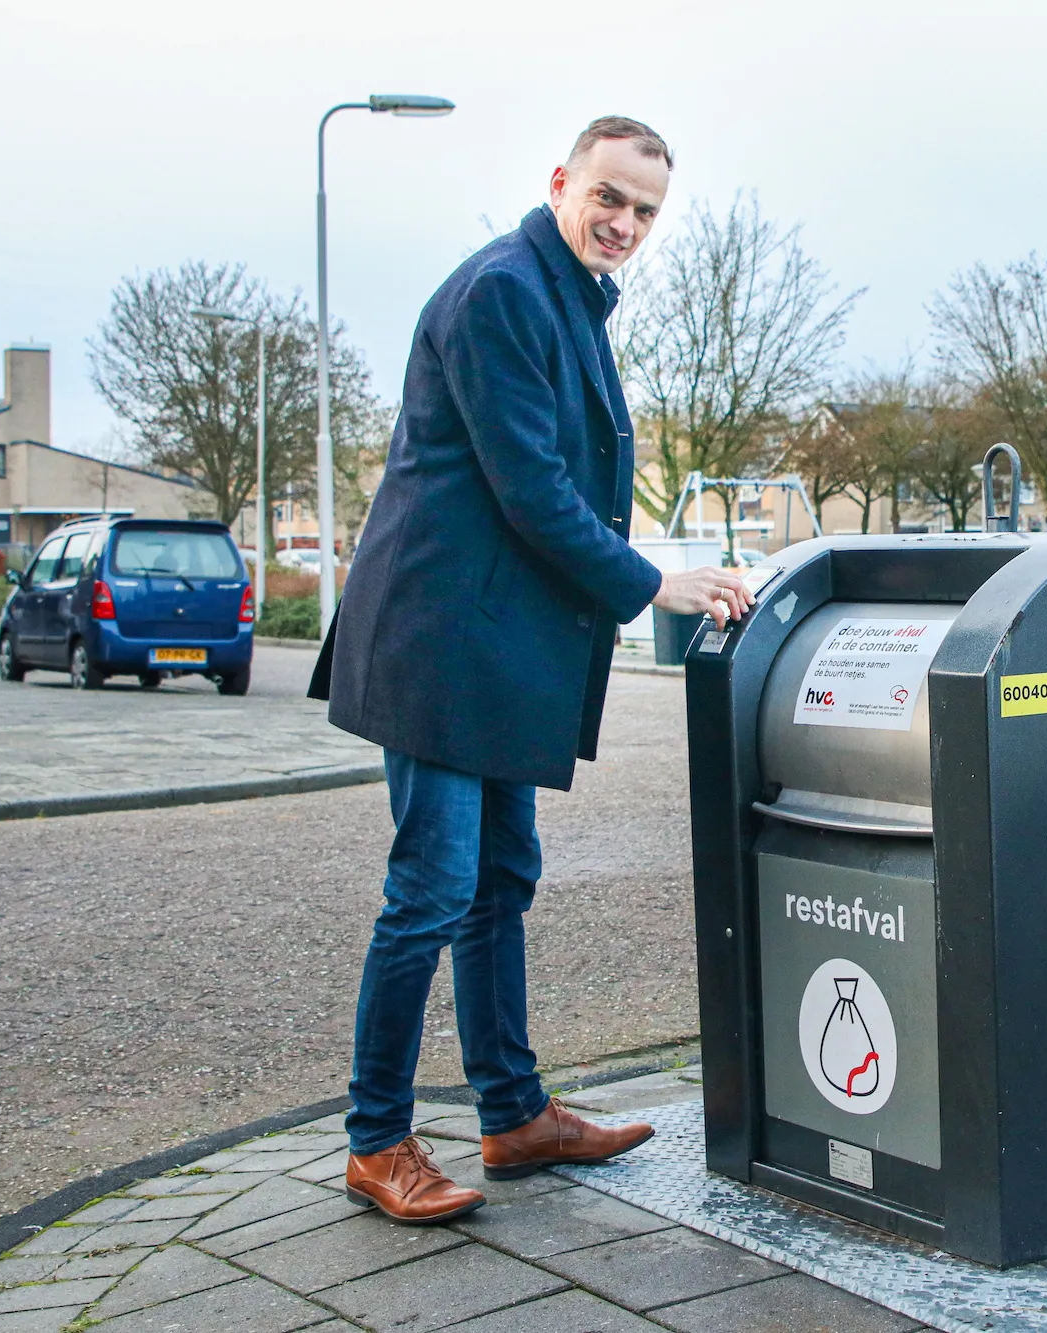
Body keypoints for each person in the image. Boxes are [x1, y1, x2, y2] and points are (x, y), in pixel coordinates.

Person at [314, 115, 753, 1224]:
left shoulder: (567, 295)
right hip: (439, 644)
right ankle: (376, 1141)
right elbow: (532, 489)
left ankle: (511, 1113)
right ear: (561, 183)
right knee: (429, 892)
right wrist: (658, 582)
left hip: (496, 646)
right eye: (609, 198)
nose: (624, 224)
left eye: (645, 212)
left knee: (500, 881)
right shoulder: (506, 291)